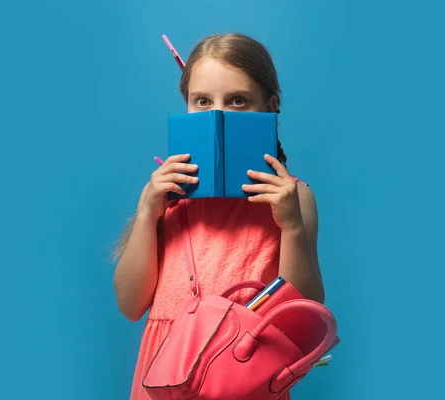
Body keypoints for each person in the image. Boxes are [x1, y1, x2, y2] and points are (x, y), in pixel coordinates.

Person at [113, 32, 325, 400]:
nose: (219, 114)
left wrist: (291, 225)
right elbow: (130, 305)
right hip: (166, 374)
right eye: (202, 101)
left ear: (270, 107)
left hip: (244, 373)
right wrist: (148, 211)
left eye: (239, 101)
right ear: (187, 106)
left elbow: (304, 316)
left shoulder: (294, 198)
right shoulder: (169, 198)